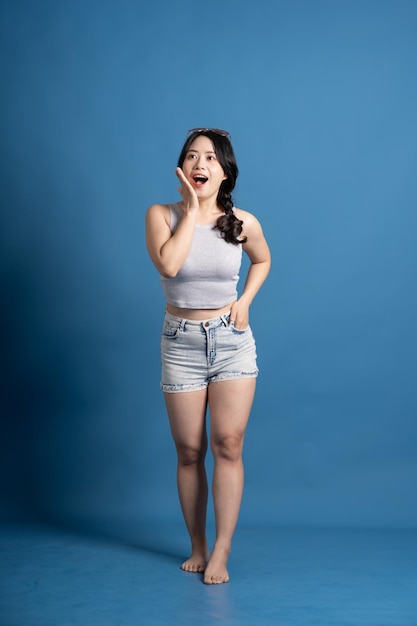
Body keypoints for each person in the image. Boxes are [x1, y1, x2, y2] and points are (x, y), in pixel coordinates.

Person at [145, 128, 271, 584]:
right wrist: (194, 210)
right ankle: (197, 544)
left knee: (228, 446)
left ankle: (221, 549)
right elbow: (169, 265)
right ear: (182, 168)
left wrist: (245, 301)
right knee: (189, 451)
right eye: (192, 156)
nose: (201, 164)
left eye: (211, 158)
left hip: (231, 339)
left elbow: (263, 260)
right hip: (180, 341)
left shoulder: (243, 224)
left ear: (225, 171)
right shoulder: (162, 214)